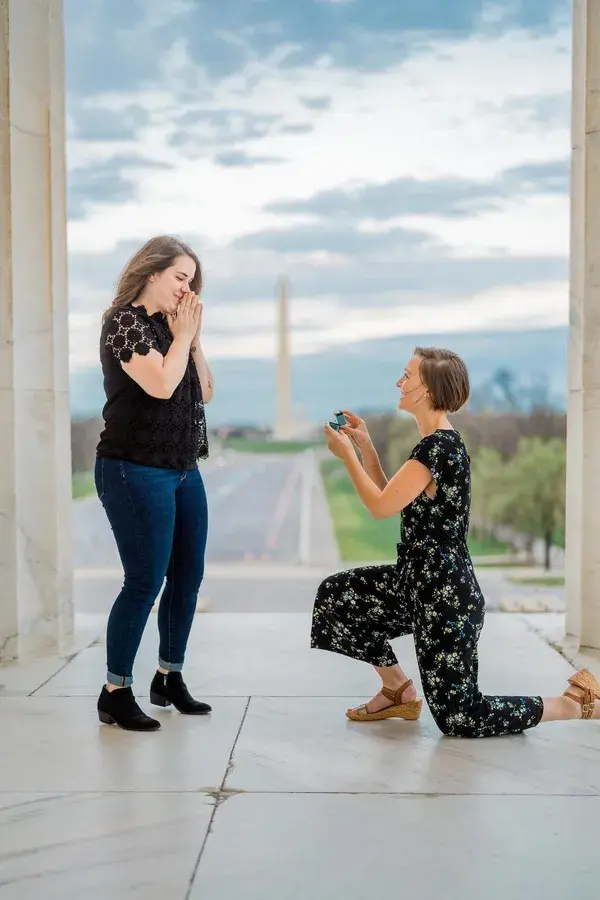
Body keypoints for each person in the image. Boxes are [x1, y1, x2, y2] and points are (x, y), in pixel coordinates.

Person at [311, 347, 600, 737]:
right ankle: (397, 689)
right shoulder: (434, 445)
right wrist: (364, 447)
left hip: (444, 595)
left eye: (407, 376)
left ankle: (569, 704)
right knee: (338, 596)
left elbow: (379, 507)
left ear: (428, 391)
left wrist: (346, 456)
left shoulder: (439, 449)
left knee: (460, 717)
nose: (400, 382)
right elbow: (391, 496)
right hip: (415, 582)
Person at [94, 235, 215, 732]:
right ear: (151, 273)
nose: (186, 291)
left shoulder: (175, 330)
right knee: (145, 580)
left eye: (192, 283)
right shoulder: (122, 323)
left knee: (188, 576)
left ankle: (168, 676)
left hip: (184, 468)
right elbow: (162, 385)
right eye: (180, 278)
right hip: (133, 468)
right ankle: (114, 691)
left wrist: (194, 338)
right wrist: (182, 339)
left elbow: (202, 391)